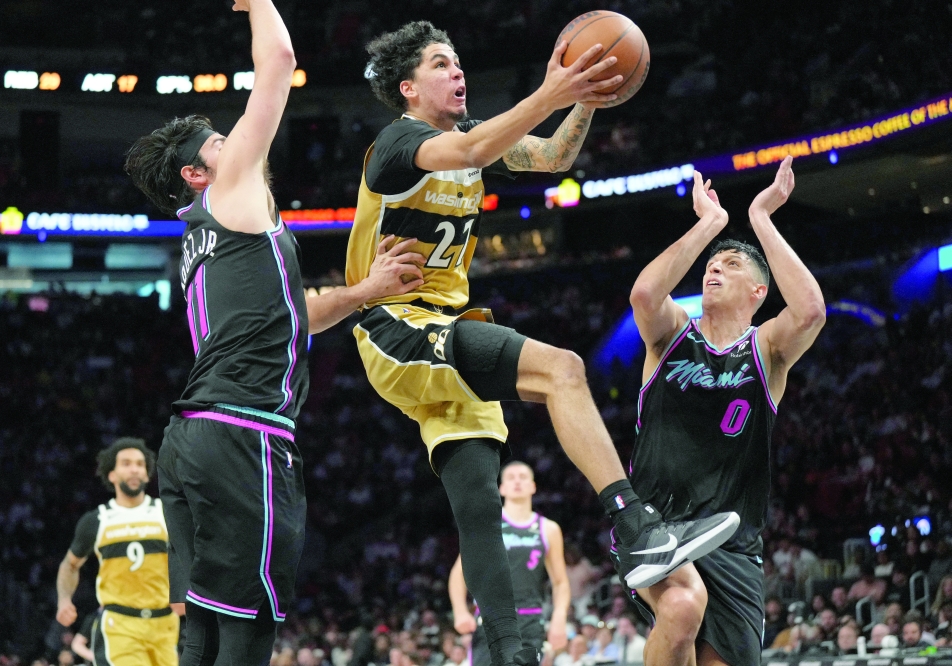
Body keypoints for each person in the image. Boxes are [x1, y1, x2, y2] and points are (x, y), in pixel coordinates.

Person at [346, 20, 739, 666]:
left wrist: (586, 92)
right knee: (563, 368)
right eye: (442, 64)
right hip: (397, 329)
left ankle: (510, 656)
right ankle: (635, 528)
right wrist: (554, 88)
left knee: (479, 506)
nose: (458, 72)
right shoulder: (397, 144)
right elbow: (470, 154)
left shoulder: (475, 139)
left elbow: (553, 157)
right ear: (409, 88)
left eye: (459, 60)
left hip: (449, 327)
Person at [123, 2, 423, 663]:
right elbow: (279, 64)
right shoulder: (231, 190)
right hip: (241, 433)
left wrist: (367, 291)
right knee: (251, 624)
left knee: (204, 614)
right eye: (217, 144)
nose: (233, 144)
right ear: (195, 174)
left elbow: (294, 313)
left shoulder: (206, 240)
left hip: (190, 441)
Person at [625, 155, 826, 665]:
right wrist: (709, 225)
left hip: (733, 540)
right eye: (712, 264)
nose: (715, 267)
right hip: (657, 526)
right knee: (682, 608)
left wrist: (761, 218)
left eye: (730, 265)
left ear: (759, 292)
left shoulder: (766, 351)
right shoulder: (671, 335)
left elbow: (810, 312)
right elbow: (646, 293)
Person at [56, 438, 179, 666]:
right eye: (126, 463)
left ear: (147, 473)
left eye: (140, 464)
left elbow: (192, 557)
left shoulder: (168, 513)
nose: (134, 469)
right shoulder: (97, 520)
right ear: (111, 474)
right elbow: (69, 565)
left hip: (166, 624)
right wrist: (64, 599)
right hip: (120, 625)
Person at [449, 462, 570, 664]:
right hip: (492, 620)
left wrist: (559, 618)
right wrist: (460, 611)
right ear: (501, 488)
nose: (517, 481)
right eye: (511, 477)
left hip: (531, 620)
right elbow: (459, 572)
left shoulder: (548, 529)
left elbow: (561, 582)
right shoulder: (486, 525)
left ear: (533, 486)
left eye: (522, 477)